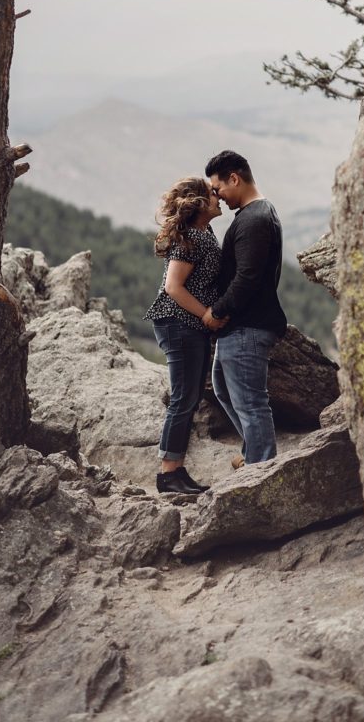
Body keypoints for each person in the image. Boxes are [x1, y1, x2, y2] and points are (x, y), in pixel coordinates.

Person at [202, 150, 287, 465]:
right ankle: (253, 453)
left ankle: (262, 469)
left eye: (218, 188)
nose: (217, 196)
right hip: (241, 327)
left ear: (234, 178)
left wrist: (217, 311)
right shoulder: (254, 215)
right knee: (224, 390)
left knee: (251, 404)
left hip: (248, 326)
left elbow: (247, 278)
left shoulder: (254, 219)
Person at [144, 176, 226, 494]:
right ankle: (167, 475)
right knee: (182, 398)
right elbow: (172, 287)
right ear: (199, 203)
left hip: (188, 325)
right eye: (211, 193)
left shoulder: (205, 232)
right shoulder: (192, 237)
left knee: (189, 398)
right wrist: (206, 314)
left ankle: (177, 470)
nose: (217, 196)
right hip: (178, 323)